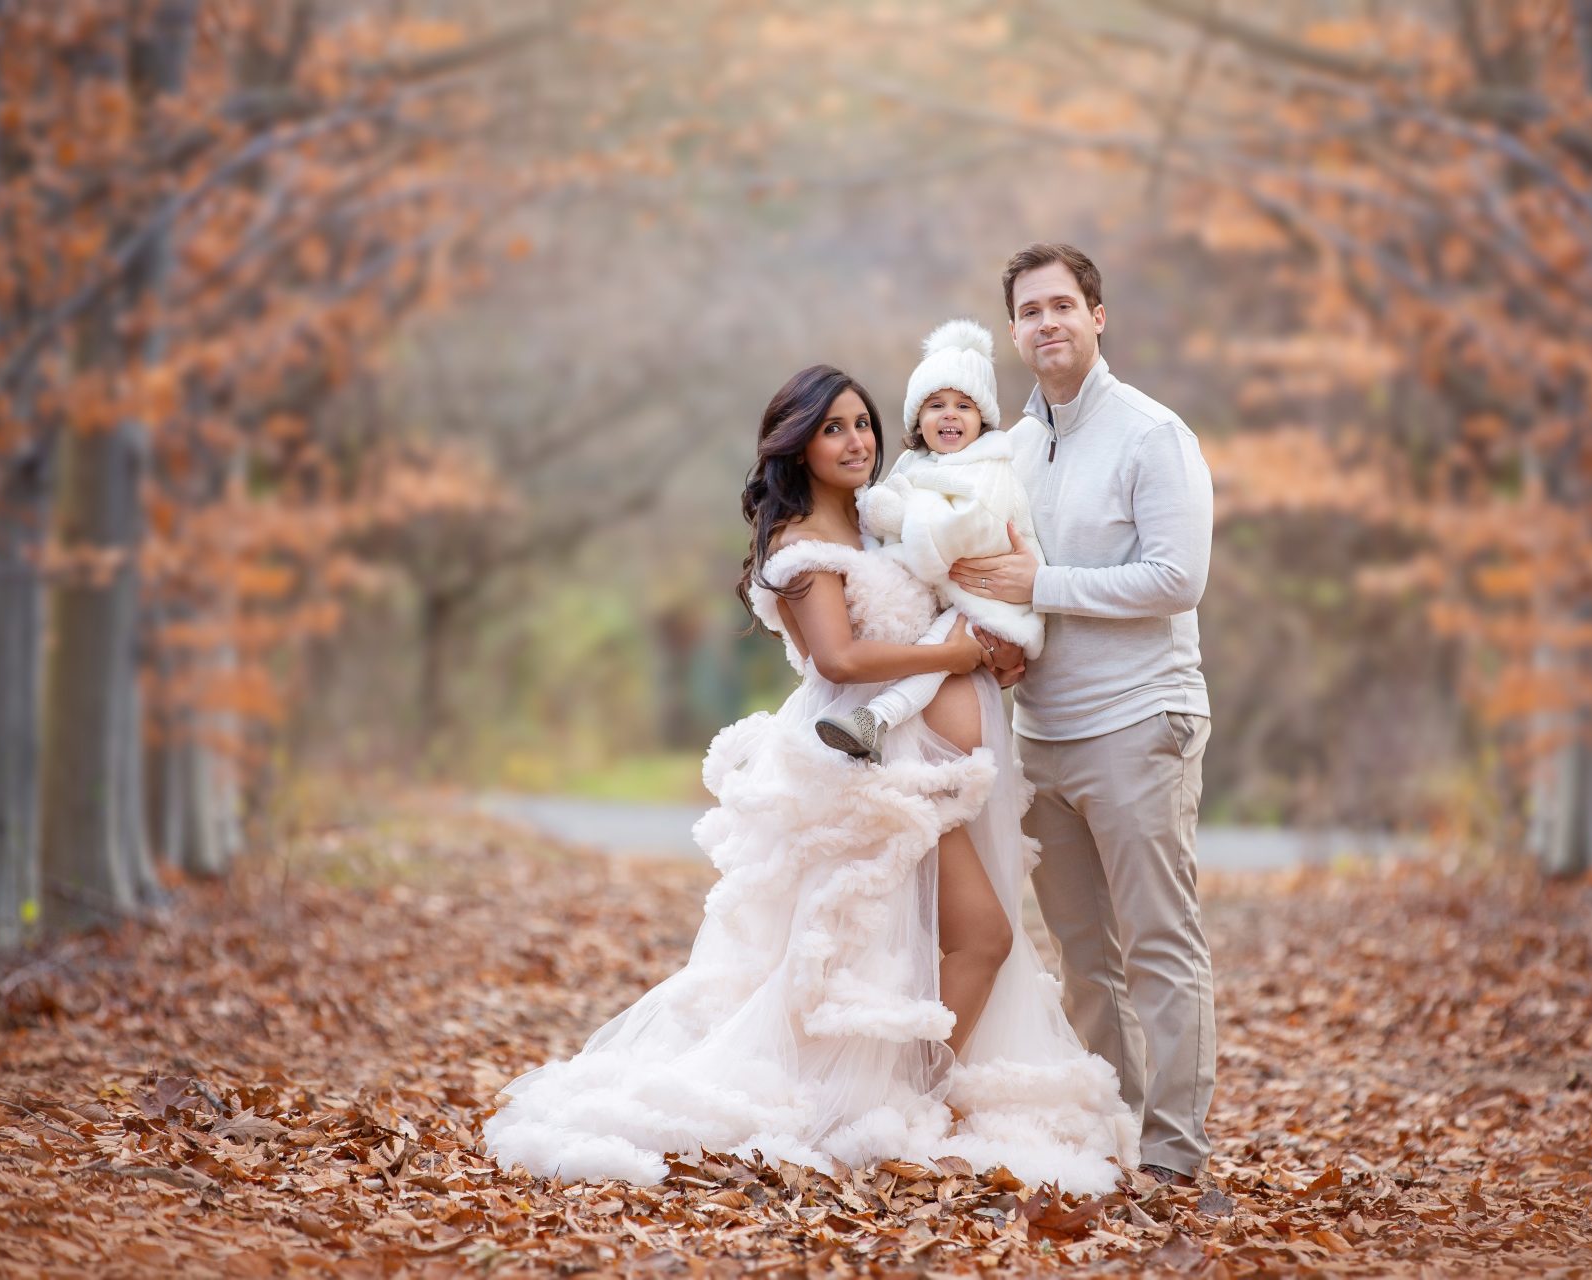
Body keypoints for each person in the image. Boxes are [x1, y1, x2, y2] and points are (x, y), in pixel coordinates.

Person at [483, 364, 1136, 1195]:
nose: (857, 440)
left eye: (863, 423)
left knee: (955, 945)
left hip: (920, 773)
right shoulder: (801, 546)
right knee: (900, 952)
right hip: (856, 768)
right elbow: (841, 659)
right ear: (799, 445)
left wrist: (993, 650)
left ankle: (904, 1106)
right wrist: (955, 656)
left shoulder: (880, 522)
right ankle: (876, 1113)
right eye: (833, 428)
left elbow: (938, 606)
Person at [948, 243, 1217, 1186]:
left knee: (1158, 945)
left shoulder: (1153, 435)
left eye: (1064, 305)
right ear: (1015, 332)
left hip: (1140, 724)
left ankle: (1177, 1159)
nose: (1048, 322)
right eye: (1030, 311)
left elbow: (1179, 579)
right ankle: (1118, 1139)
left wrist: (1044, 585)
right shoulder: (1009, 448)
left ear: (1098, 317)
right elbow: (994, 581)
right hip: (1043, 739)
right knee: (1084, 960)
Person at [814, 319, 1044, 764]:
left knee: (941, 647)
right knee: (928, 645)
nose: (950, 415)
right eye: (936, 404)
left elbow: (969, 529)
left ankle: (876, 718)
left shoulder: (991, 468)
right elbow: (883, 518)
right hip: (952, 590)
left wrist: (900, 516)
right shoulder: (914, 463)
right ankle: (876, 724)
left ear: (983, 420)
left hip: (993, 600)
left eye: (964, 405)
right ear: (918, 418)